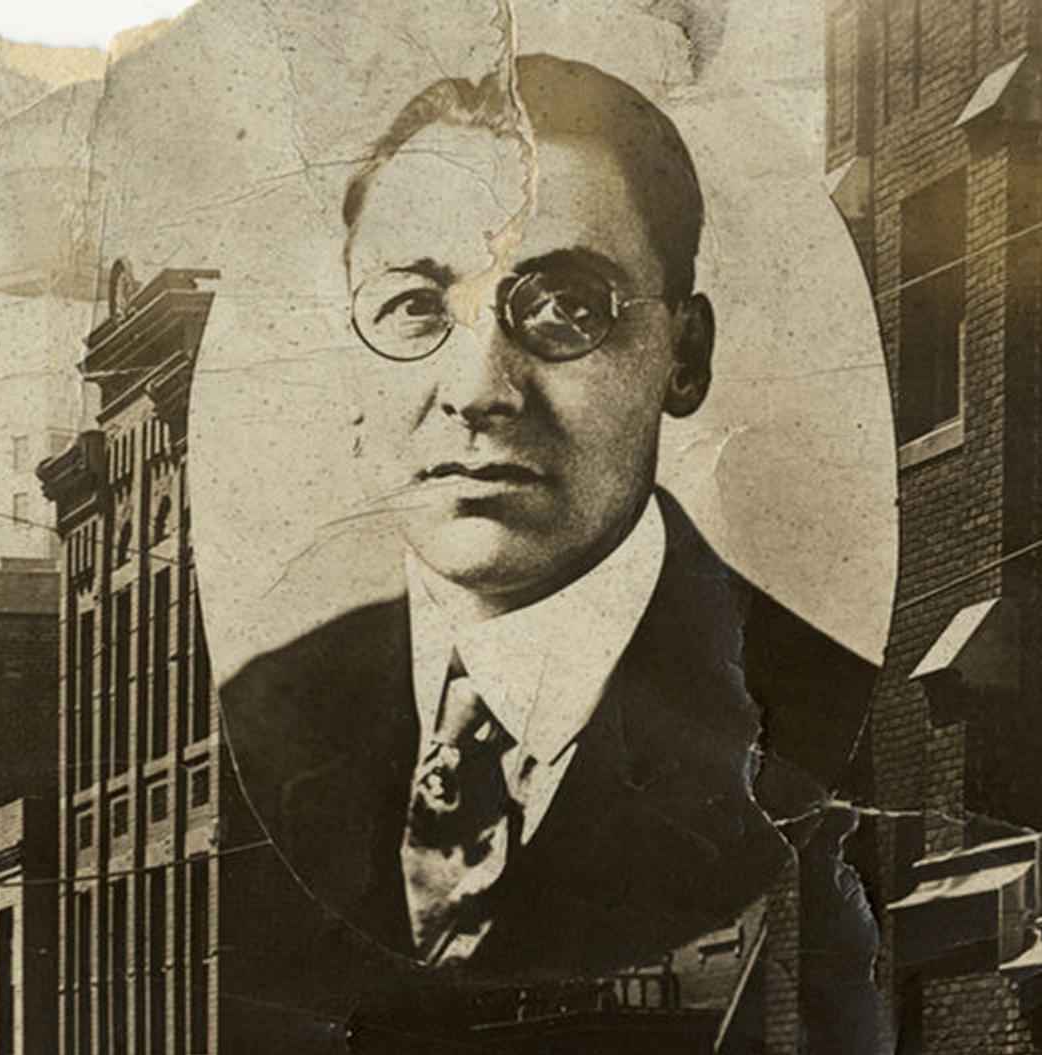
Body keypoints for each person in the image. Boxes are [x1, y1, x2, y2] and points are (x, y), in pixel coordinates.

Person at [215, 52, 873, 979]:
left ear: (683, 358)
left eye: (567, 306)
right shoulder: (265, 716)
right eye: (414, 307)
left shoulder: (824, 721)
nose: (479, 390)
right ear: (350, 370)